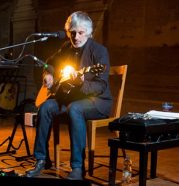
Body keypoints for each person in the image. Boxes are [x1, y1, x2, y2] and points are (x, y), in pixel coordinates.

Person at [25, 11, 113, 180]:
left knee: (75, 109)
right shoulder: (67, 47)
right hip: (71, 98)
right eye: (72, 32)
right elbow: (49, 62)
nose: (76, 37)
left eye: (80, 33)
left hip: (97, 101)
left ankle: (77, 167)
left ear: (88, 32)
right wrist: (48, 74)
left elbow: (101, 86)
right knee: (45, 107)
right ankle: (41, 160)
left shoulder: (99, 51)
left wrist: (81, 83)